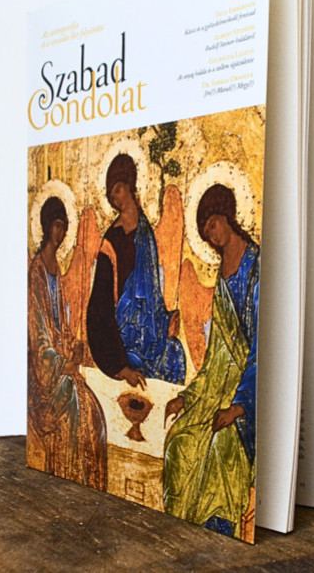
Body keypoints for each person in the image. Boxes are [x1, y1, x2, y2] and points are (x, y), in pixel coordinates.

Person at [162, 183, 258, 538]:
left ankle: (218, 534)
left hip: (250, 396)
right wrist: (188, 397)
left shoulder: (257, 268)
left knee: (221, 445)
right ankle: (181, 532)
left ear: (227, 216)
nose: (213, 236)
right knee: (180, 441)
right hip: (219, 387)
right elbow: (217, 352)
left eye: (213, 225)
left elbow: (264, 348)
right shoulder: (221, 280)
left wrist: (238, 407)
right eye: (206, 233)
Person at [28, 196, 107, 490]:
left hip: (59, 363)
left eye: (64, 227)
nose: (60, 233)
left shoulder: (56, 269)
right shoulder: (37, 272)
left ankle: (86, 483)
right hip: (43, 378)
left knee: (93, 408)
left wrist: (73, 346)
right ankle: (68, 477)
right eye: (57, 226)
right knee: (73, 398)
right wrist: (62, 363)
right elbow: (38, 337)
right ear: (47, 226)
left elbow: (60, 325)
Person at [86, 154, 186, 386]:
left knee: (175, 352)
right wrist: (120, 366)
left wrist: (167, 320)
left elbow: (152, 296)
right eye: (111, 196)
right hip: (123, 338)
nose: (116, 199)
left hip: (148, 332)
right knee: (142, 363)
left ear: (130, 186)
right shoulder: (112, 240)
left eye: (118, 190)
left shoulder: (145, 232)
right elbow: (99, 307)